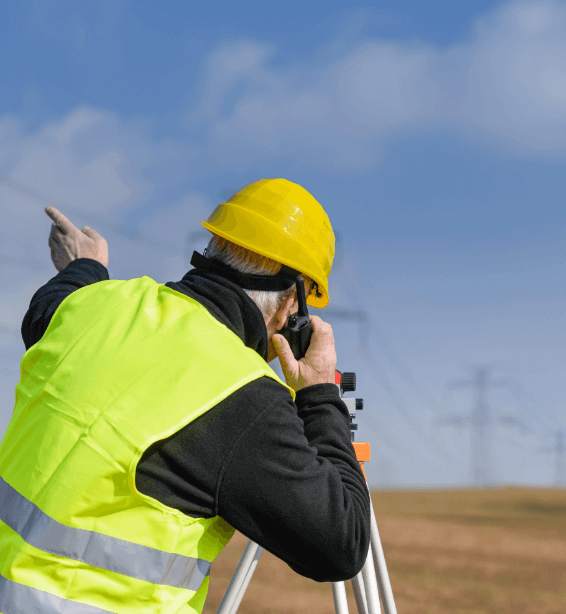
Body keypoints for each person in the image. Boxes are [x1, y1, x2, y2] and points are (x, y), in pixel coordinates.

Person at [0, 179, 371, 614]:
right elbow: (342, 544)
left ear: (214, 251)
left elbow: (48, 307)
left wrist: (85, 266)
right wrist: (320, 394)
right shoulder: (245, 396)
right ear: (293, 303)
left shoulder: (91, 307)